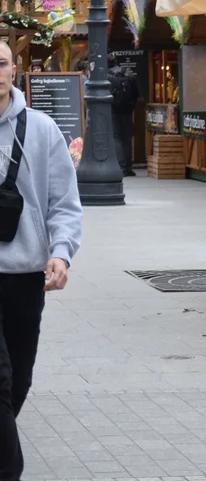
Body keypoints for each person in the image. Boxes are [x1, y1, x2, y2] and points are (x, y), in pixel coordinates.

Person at [0, 41, 82, 481]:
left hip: (25, 274)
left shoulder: (43, 128)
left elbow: (64, 203)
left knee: (20, 376)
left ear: (15, 69)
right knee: (0, 379)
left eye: (1, 63)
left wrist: (60, 253)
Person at [107, 54, 140, 177]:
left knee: (116, 138)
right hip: (127, 111)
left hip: (113, 110)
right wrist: (130, 106)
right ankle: (128, 166)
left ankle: (121, 166)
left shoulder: (107, 76)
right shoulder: (128, 75)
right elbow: (136, 94)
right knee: (127, 138)